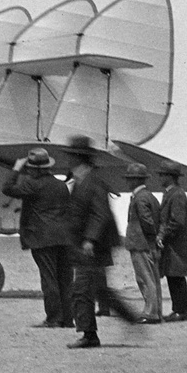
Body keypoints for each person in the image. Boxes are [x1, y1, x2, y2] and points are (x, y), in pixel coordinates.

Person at [62, 136, 136, 349]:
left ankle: (89, 335)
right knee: (98, 290)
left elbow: (100, 214)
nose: (67, 160)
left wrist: (90, 240)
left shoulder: (92, 181)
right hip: (86, 246)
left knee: (82, 289)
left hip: (92, 247)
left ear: (79, 158)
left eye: (71, 156)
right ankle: (130, 319)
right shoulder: (81, 180)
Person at [1, 147, 74, 328]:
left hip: (42, 238)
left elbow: (7, 188)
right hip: (64, 238)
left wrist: (16, 168)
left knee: (49, 279)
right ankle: (68, 319)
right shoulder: (61, 185)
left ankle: (54, 318)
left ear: (34, 169)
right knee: (65, 279)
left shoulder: (32, 185)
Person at [122, 163, 162, 324]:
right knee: (152, 278)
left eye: (130, 179)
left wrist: (151, 238)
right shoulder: (149, 196)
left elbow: (147, 221)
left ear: (135, 180)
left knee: (145, 278)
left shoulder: (140, 198)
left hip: (140, 244)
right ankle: (156, 311)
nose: (128, 182)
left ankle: (150, 313)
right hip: (147, 244)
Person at [157, 161, 187, 321]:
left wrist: (162, 235)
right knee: (174, 276)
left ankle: (181, 311)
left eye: (163, 174)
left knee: (176, 277)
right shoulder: (171, 193)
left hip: (176, 245)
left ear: (171, 177)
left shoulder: (177, 194)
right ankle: (178, 310)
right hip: (173, 245)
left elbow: (177, 221)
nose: (160, 177)